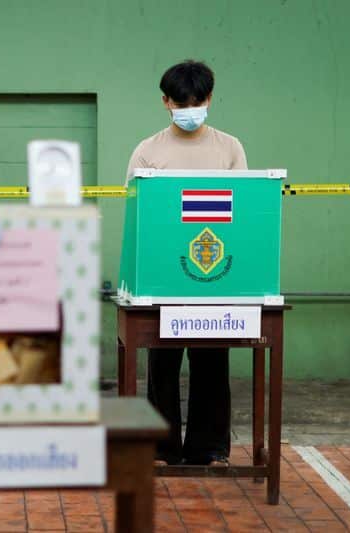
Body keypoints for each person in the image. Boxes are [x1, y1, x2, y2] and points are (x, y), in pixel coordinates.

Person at [126, 59, 247, 466]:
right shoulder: (147, 151)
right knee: (162, 365)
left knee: (212, 362)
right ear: (166, 102)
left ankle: (209, 449)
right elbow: (137, 214)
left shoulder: (229, 148)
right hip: (162, 277)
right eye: (181, 103)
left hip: (214, 275)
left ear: (209, 99)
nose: (190, 109)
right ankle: (161, 448)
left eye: (197, 101)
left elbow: (242, 210)